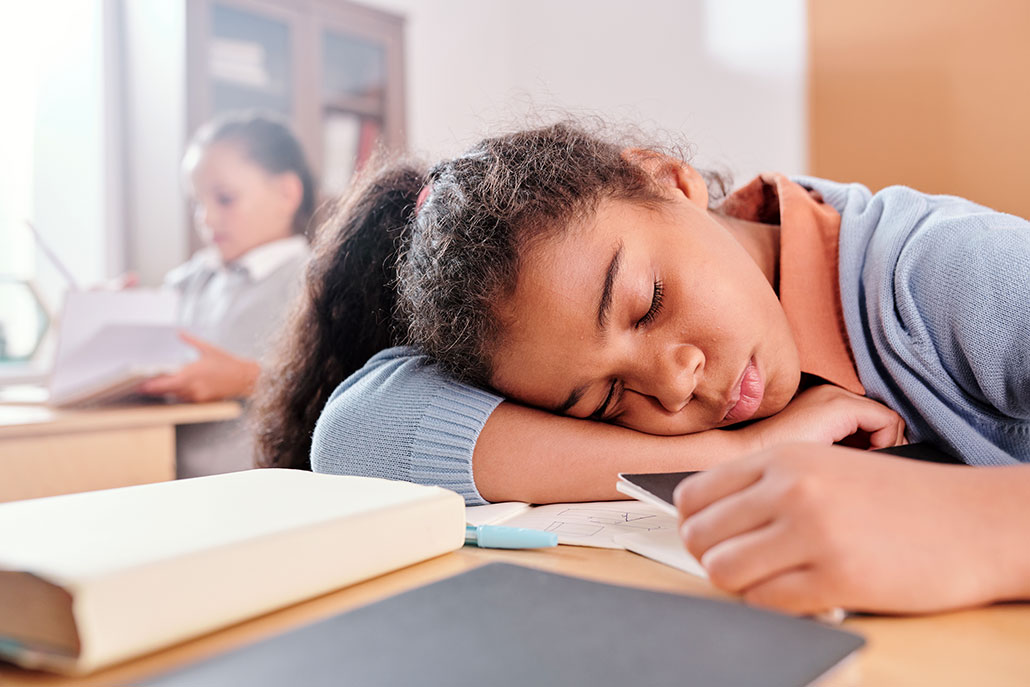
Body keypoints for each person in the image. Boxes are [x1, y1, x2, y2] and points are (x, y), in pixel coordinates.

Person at [257, 120, 1030, 615]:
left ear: (671, 180)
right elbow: (361, 433)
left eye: (647, 302)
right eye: (604, 399)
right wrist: (736, 454)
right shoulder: (680, 392)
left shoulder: (939, 273)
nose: (672, 383)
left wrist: (978, 530)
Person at [142, 112, 315, 477]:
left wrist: (246, 378)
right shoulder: (187, 282)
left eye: (224, 199)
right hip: (163, 478)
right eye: (196, 202)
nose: (206, 217)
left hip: (256, 488)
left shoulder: (315, 281)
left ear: (286, 193)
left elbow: (340, 385)